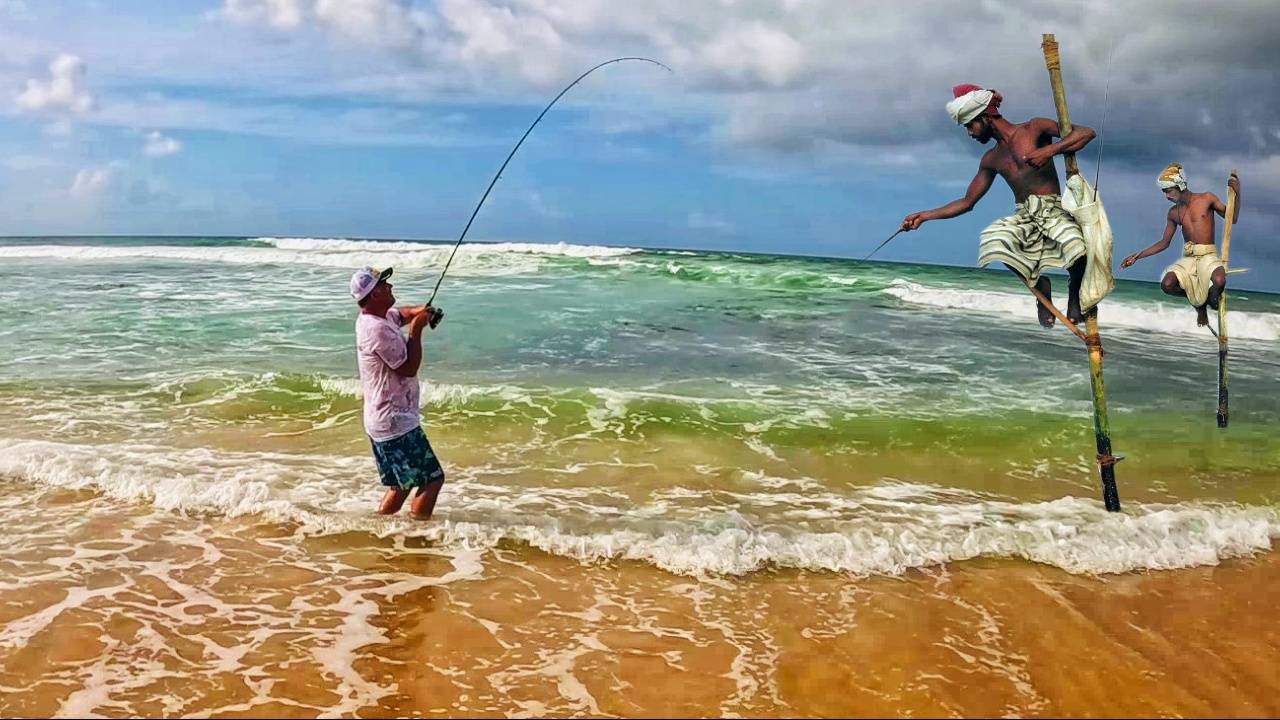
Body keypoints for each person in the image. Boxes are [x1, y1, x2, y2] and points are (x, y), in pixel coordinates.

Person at [901, 84, 1097, 327]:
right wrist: (925, 216)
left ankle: (1074, 294)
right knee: (993, 241)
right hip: (1024, 216)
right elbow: (967, 202)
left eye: (970, 125)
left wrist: (1049, 151)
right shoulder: (991, 159)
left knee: (1077, 247)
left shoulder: (1034, 128)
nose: (970, 134)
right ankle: (1040, 286)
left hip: (1053, 209)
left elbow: (1086, 133)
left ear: (986, 117)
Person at [350, 266, 445, 519]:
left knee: (402, 485)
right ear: (373, 296)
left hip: (382, 420)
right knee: (432, 479)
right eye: (383, 285)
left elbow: (400, 314)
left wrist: (419, 312)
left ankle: (380, 531)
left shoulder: (377, 318)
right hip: (394, 422)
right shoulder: (376, 330)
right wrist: (417, 329)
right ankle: (417, 537)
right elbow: (408, 368)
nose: (390, 287)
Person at [1121, 163, 1241, 326]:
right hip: (1189, 258)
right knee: (1167, 285)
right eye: (1164, 192)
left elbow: (1231, 219)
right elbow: (1164, 243)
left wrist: (1237, 193)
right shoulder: (1172, 213)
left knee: (1219, 281)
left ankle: (1209, 300)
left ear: (1181, 185)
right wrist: (1136, 256)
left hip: (1208, 255)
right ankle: (1200, 306)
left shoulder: (1207, 198)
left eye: (1168, 191)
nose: (1167, 196)